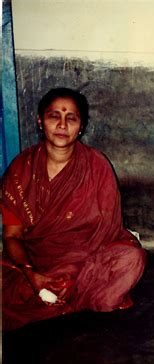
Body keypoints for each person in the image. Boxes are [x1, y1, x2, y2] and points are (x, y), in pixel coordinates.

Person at [2, 87, 146, 330]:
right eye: (53, 116)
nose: (62, 124)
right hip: (36, 262)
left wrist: (72, 269)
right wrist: (31, 273)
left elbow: (107, 233)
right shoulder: (21, 169)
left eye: (71, 118)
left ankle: (64, 293)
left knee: (132, 259)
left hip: (85, 261)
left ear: (81, 126)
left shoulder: (96, 165)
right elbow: (11, 236)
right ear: (40, 121)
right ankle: (75, 296)